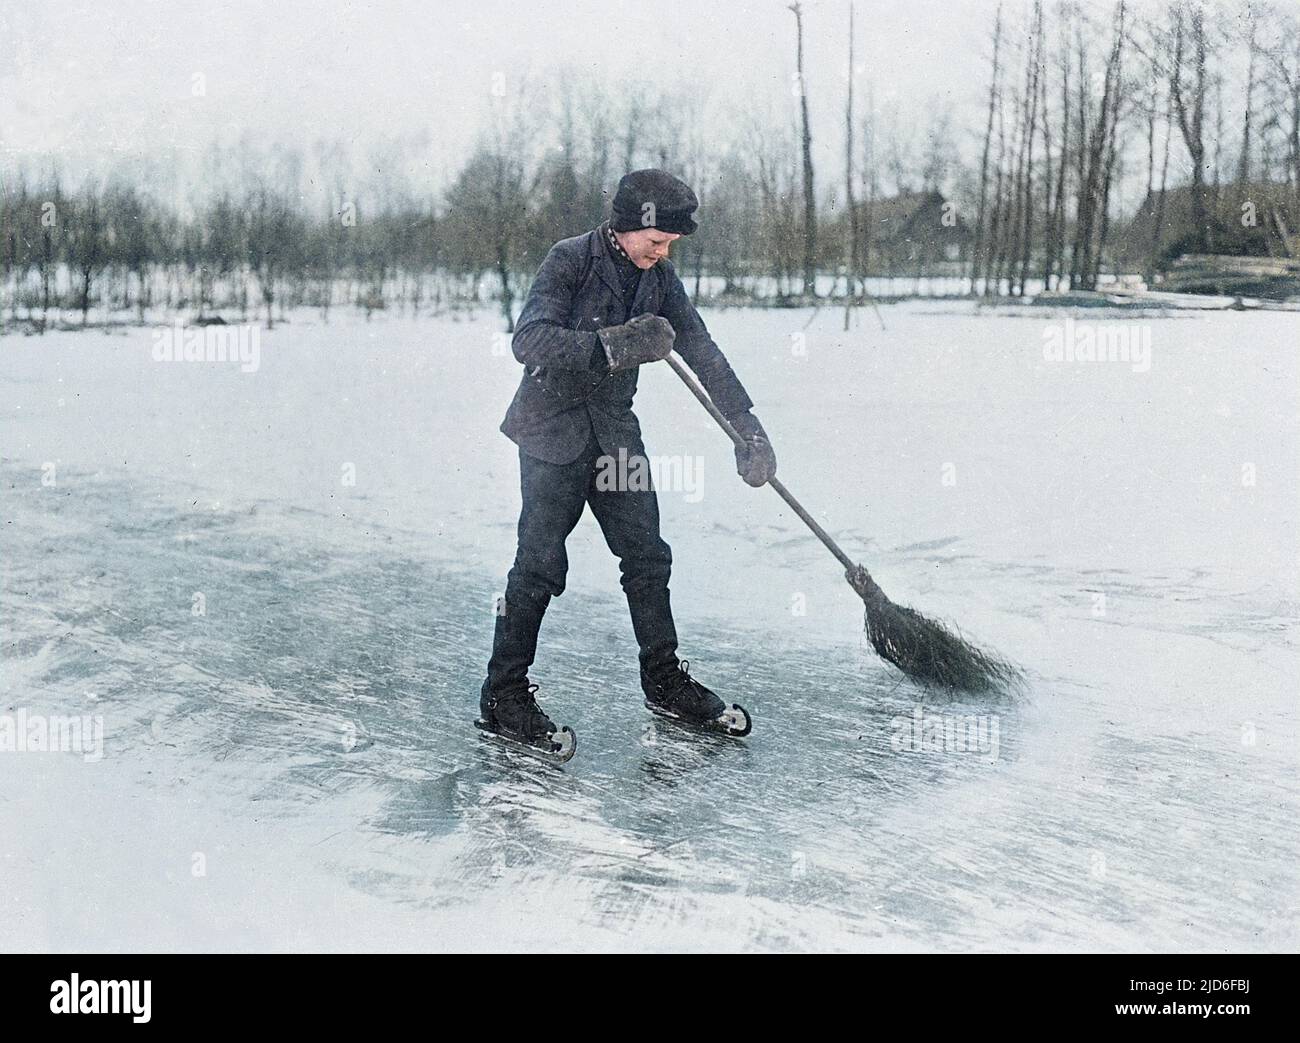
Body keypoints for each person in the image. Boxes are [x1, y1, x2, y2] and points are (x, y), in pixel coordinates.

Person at [480, 169, 777, 744]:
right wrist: (616, 345)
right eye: (657, 241)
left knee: (647, 555)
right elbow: (529, 341)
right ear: (626, 225)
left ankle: (663, 680)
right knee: (539, 566)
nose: (662, 253)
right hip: (552, 436)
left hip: (616, 437)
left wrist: (748, 428)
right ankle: (504, 695)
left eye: (670, 246)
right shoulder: (569, 259)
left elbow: (703, 351)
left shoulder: (658, 278)